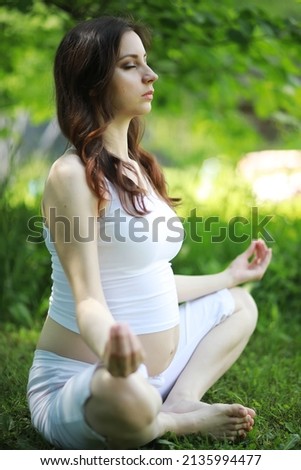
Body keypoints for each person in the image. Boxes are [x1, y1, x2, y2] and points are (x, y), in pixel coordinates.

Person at [27, 16, 272, 450]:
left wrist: (229, 277)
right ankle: (170, 424)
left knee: (239, 305)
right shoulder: (70, 176)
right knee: (131, 394)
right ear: (92, 81)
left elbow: (150, 282)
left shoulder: (137, 168)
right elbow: (87, 298)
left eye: (146, 61)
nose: (150, 74)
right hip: (89, 380)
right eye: (130, 64)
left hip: (150, 373)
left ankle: (180, 401)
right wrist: (114, 356)